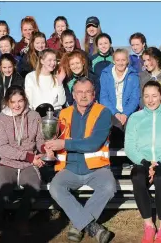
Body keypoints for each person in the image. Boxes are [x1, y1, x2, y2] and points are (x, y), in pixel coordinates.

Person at [46, 77, 115, 243]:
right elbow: (54, 138)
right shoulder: (63, 114)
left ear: (94, 94)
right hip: (69, 168)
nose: (83, 96)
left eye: (87, 92)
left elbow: (93, 143)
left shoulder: (103, 112)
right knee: (55, 188)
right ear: (73, 95)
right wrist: (50, 146)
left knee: (109, 187)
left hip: (97, 169)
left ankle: (78, 225)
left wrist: (64, 143)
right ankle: (91, 226)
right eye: (79, 92)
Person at [125, 81, 161, 243]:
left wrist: (158, 164)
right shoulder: (135, 118)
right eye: (146, 96)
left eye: (154, 96)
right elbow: (130, 147)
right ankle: (149, 226)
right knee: (137, 178)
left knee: (160, 179)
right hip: (141, 163)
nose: (150, 100)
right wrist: (145, 163)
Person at [0, 85, 48, 238]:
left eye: (20, 101)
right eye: (13, 102)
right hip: (8, 162)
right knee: (3, 189)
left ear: (25, 100)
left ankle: (21, 220)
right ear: (7, 102)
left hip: (29, 164)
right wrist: (30, 157)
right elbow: (3, 148)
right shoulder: (1, 119)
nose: (17, 105)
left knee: (34, 187)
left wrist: (44, 150)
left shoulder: (34, 116)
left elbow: (39, 139)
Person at [100, 48, 140, 148]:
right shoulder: (105, 74)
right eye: (118, 60)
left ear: (127, 61)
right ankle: (115, 160)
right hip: (111, 111)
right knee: (114, 126)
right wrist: (116, 113)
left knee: (130, 126)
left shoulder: (133, 75)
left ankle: (130, 158)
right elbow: (104, 97)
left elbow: (135, 98)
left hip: (128, 112)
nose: (120, 63)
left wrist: (125, 114)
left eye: (123, 60)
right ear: (114, 61)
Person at [25, 49, 66, 116]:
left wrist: (60, 82)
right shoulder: (31, 77)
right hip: (37, 113)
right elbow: (29, 99)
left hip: (55, 113)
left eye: (54, 60)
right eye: (49, 60)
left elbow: (62, 102)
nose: (53, 63)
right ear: (42, 61)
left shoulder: (56, 77)